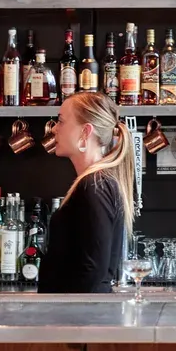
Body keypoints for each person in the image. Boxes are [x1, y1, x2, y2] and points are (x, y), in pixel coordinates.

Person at [37, 92, 135, 294]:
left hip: (80, 320)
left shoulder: (94, 185)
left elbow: (93, 270)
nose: (54, 128)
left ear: (85, 132)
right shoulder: (96, 181)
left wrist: (69, 317)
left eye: (61, 121)